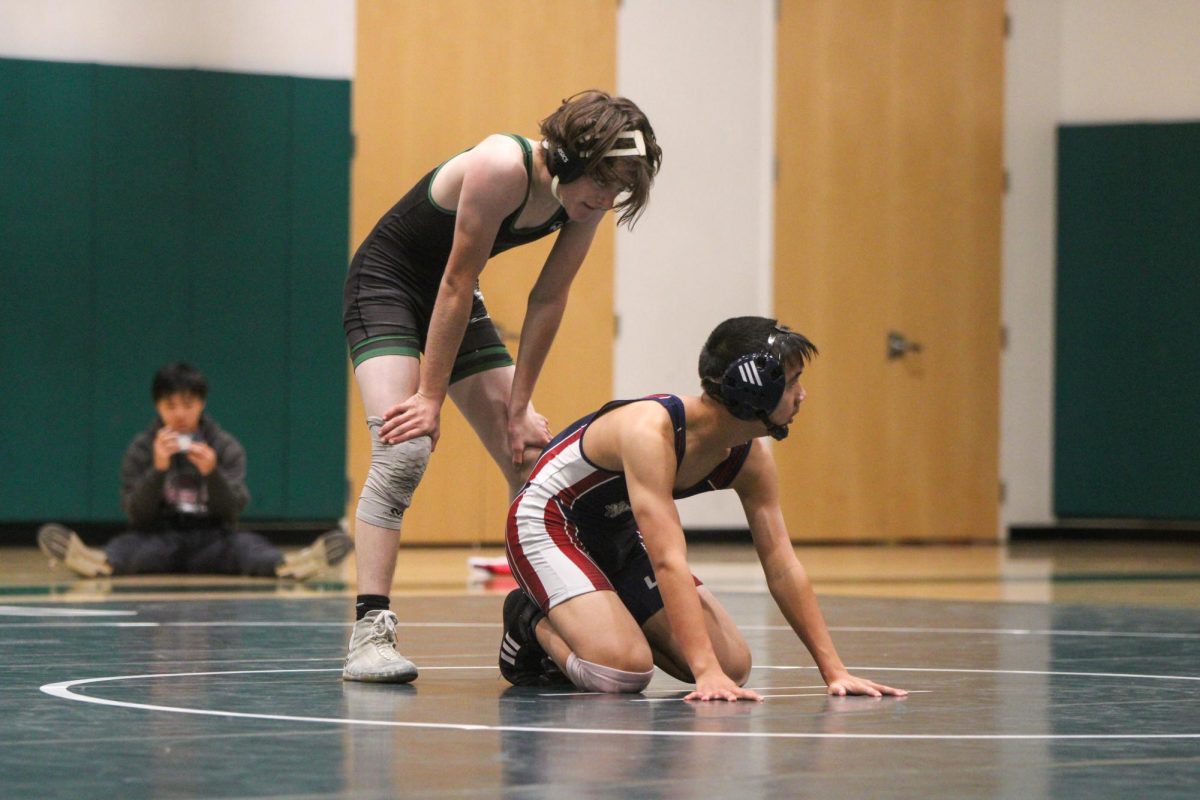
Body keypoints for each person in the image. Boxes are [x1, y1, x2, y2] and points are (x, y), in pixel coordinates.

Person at [341, 90, 661, 682]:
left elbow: (549, 299)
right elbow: (457, 280)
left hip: (452, 297)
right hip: (388, 285)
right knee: (405, 446)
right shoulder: (499, 164)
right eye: (601, 184)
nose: (604, 201)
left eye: (618, 192)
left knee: (533, 456)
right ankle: (370, 632)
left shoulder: (583, 205)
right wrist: (429, 398)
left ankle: (538, 614)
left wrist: (519, 410)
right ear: (570, 155)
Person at [499, 316, 908, 701]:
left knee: (733, 665)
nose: (802, 395)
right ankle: (529, 620)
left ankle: (601, 612)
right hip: (549, 522)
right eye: (792, 382)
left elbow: (782, 564)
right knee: (623, 671)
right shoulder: (650, 430)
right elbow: (668, 558)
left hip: (614, 533)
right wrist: (704, 669)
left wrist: (834, 670)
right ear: (757, 387)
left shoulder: (750, 460)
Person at [37, 362, 351, 581]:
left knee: (247, 548)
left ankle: (291, 564)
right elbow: (137, 517)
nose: (180, 414)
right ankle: (96, 562)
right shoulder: (142, 448)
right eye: (170, 406)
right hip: (158, 538)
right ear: (157, 407)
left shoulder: (224, 446)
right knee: (127, 547)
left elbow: (231, 514)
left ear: (201, 402)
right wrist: (158, 470)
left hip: (212, 539)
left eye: (188, 404)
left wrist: (212, 473)